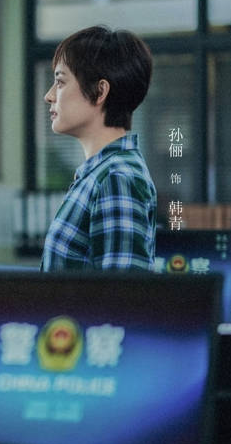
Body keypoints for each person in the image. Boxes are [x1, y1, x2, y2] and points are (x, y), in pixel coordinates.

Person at [40, 25, 157, 272]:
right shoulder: (101, 173)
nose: (49, 96)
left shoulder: (116, 178)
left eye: (60, 82)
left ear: (100, 91)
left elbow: (120, 292)